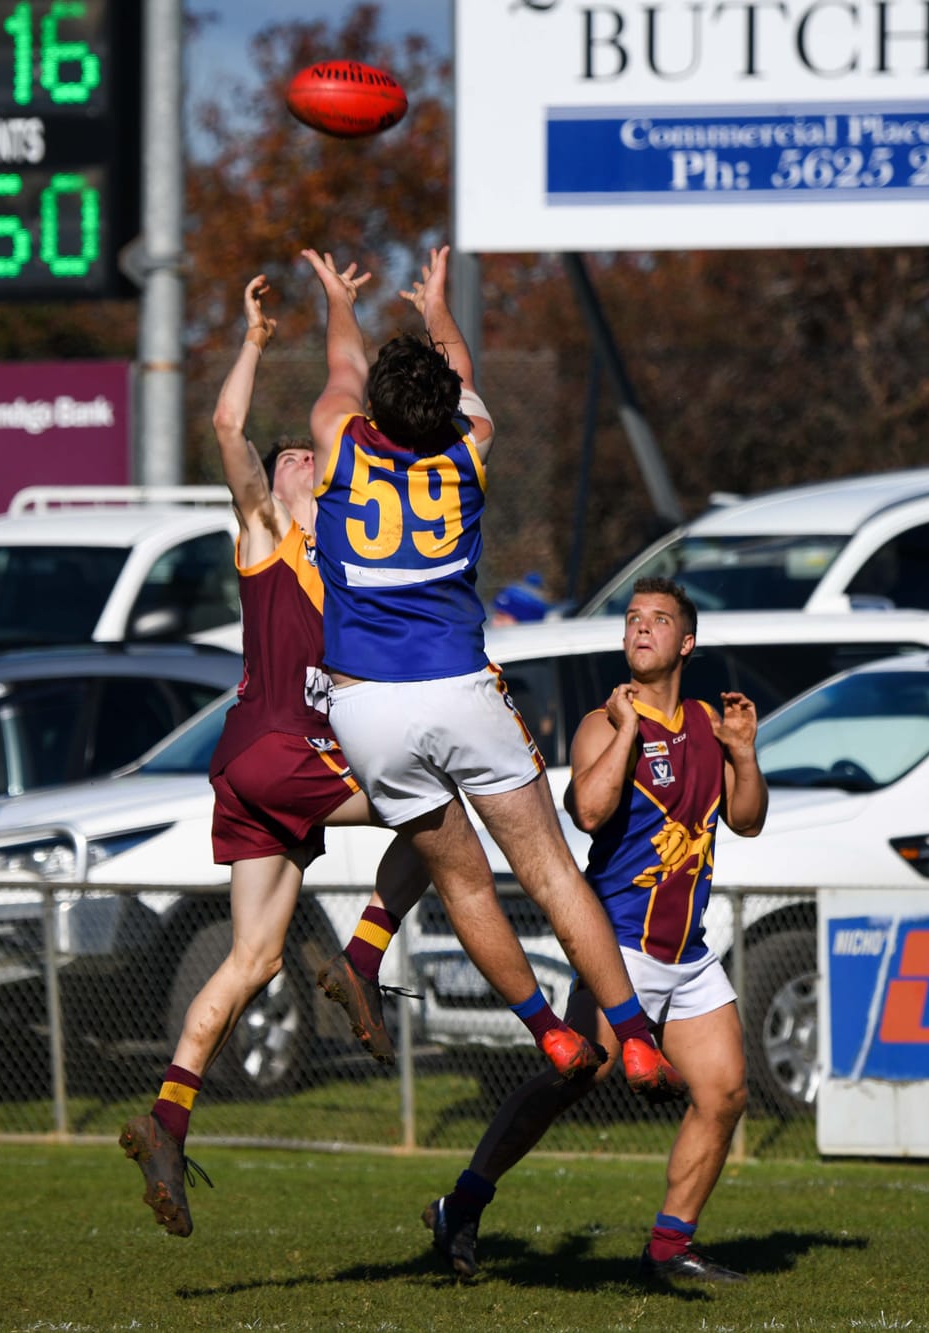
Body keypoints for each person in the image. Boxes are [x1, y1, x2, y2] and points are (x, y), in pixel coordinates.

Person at [119, 275, 590, 1240]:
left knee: (253, 957)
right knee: (440, 810)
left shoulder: (346, 545)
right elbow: (227, 426)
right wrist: (254, 340)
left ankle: (168, 1116)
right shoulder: (266, 533)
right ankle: (366, 952)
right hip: (283, 750)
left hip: (253, 772)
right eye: (290, 456)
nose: (301, 453)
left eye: (308, 452)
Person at [301, 244, 688, 1104]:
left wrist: (340, 298)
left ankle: (547, 1030)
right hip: (459, 688)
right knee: (551, 872)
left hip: (366, 705)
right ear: (445, 404)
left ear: (372, 405)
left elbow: (342, 363)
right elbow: (461, 370)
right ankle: (634, 1039)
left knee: (462, 879)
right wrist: (437, 303)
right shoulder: (470, 444)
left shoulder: (336, 438)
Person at [421, 579, 768, 1285]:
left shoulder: (708, 721)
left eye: (659, 620)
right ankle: (462, 1204)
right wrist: (630, 730)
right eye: (633, 618)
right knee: (575, 1076)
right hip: (620, 945)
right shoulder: (601, 723)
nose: (641, 628)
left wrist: (743, 752)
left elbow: (748, 820)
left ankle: (669, 1247)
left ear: (687, 642)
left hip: (687, 951)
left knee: (726, 1092)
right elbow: (588, 809)